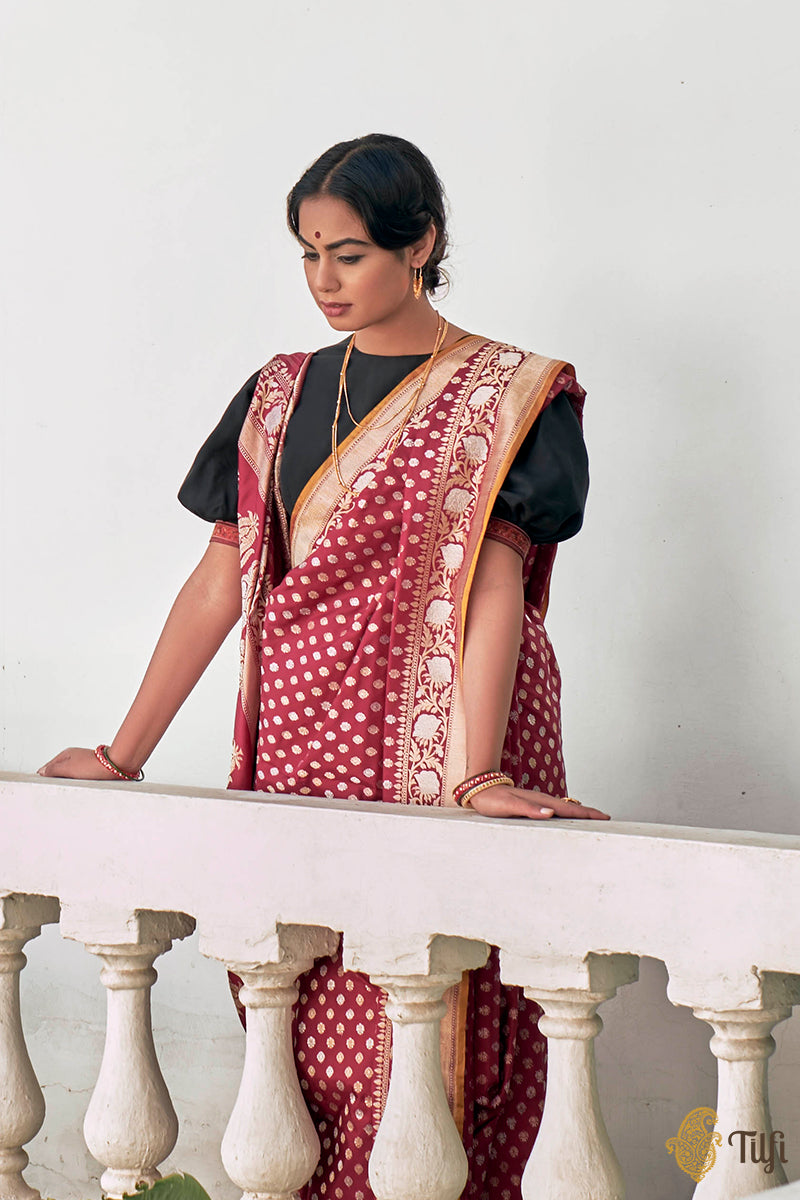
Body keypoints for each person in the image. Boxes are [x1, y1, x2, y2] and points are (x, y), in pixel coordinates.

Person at [39, 133, 609, 1200]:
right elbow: (222, 579)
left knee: (449, 1025)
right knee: (302, 1032)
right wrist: (121, 754)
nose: (323, 281)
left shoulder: (509, 394)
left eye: (348, 254)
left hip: (454, 732)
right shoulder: (278, 393)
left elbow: (491, 582)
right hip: (303, 740)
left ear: (419, 243)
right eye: (308, 254)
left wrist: (474, 771)